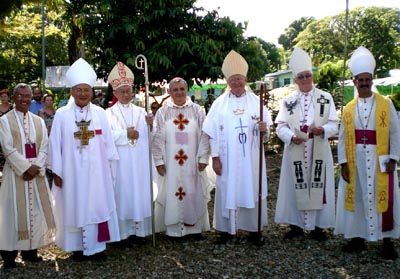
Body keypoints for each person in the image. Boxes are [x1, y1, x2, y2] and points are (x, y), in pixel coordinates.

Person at [48, 58, 120, 262]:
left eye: (86, 90)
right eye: (78, 90)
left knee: (98, 206)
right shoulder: (62, 115)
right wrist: (57, 171)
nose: (82, 94)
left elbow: (108, 143)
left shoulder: (100, 114)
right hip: (71, 173)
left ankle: (98, 248)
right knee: (73, 206)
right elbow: (55, 145)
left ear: (91, 91)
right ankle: (77, 248)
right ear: (71, 91)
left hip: (98, 174)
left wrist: (110, 170)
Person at [335, 46, 400, 260]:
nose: (364, 83)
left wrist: (394, 158)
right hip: (356, 160)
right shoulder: (348, 108)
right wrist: (343, 162)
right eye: (360, 80)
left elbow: (395, 131)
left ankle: (388, 241)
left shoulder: (385, 103)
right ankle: (357, 237)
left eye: (367, 80)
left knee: (386, 199)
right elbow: (343, 137)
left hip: (381, 158)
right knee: (359, 198)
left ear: (371, 81)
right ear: (354, 82)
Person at [202, 50, 273, 244]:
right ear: (227, 82)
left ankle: (253, 230)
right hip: (227, 160)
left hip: (251, 159)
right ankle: (226, 231)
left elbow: (265, 135)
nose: (236, 83)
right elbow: (212, 133)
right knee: (227, 190)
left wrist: (263, 129)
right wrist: (215, 157)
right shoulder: (219, 104)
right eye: (233, 80)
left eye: (239, 79)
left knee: (253, 188)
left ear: (246, 79)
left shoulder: (256, 102)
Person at [274, 47, 338, 241]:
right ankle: (296, 226)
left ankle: (318, 226)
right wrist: (291, 137)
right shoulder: (289, 101)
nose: (305, 80)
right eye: (300, 77)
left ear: (312, 76)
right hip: (297, 148)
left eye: (307, 76)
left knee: (319, 185)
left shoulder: (325, 98)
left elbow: (334, 124)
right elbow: (280, 127)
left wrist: (323, 130)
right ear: (295, 80)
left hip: (317, 146)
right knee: (295, 186)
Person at [0, 83, 55, 269]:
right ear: (14, 97)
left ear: (32, 98)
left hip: (36, 173)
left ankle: (31, 251)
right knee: (11, 213)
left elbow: (44, 146)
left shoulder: (38, 121)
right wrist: (25, 168)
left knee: (36, 212)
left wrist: (36, 166)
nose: (24, 99)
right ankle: (9, 256)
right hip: (16, 174)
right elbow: (7, 147)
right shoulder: (5, 120)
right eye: (20, 96)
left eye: (27, 96)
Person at [152, 77, 211, 238]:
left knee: (193, 191)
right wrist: (158, 161)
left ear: (187, 90)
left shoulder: (197, 111)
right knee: (172, 193)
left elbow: (205, 135)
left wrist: (204, 158)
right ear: (169, 92)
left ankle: (194, 229)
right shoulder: (163, 113)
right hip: (171, 164)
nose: (179, 92)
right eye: (175, 89)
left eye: (182, 89)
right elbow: (156, 138)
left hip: (193, 162)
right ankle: (174, 229)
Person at [106, 62, 153, 246]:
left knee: (139, 194)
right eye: (122, 91)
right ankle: (121, 235)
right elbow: (106, 138)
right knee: (122, 196)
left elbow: (151, 137)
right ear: (115, 93)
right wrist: (125, 134)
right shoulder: (107, 114)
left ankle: (139, 233)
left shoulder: (142, 112)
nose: (126, 94)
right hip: (121, 164)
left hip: (139, 162)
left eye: (128, 91)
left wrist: (151, 124)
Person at [0, 88, 13, 172]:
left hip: (9, 133)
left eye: (5, 96)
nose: (3, 98)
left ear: (8, 97)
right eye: (1, 96)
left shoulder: (13, 107)